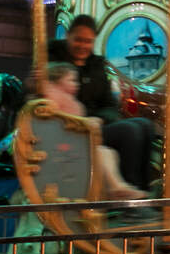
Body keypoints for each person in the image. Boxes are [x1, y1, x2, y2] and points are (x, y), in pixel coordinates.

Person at [47, 14, 159, 191]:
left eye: (88, 41)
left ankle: (143, 191)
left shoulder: (96, 65)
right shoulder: (52, 62)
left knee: (145, 125)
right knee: (131, 131)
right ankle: (129, 194)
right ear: (68, 36)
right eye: (79, 40)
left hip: (94, 124)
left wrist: (102, 119)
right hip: (71, 128)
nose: (83, 46)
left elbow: (108, 104)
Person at [37, 63, 147, 201]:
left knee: (109, 153)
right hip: (60, 146)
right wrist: (86, 123)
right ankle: (116, 188)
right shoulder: (52, 97)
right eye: (72, 80)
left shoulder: (70, 101)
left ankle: (112, 189)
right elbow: (60, 121)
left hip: (71, 143)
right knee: (101, 153)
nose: (77, 84)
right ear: (58, 80)